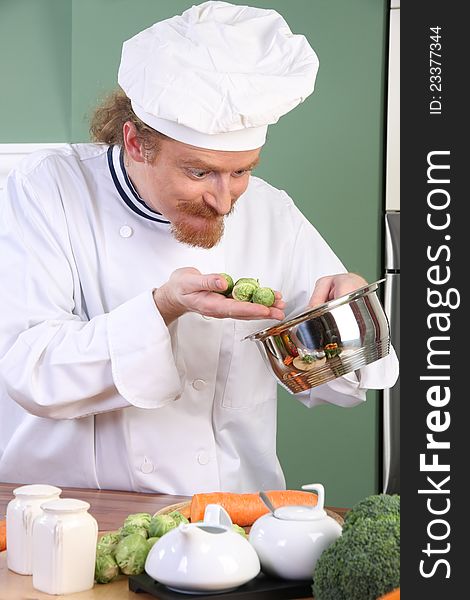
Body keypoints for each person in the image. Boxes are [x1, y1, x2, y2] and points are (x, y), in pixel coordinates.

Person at [0, 1, 398, 494]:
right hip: (75, 514)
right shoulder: (48, 192)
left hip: (230, 518)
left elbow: (336, 380)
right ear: (135, 142)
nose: (224, 200)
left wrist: (348, 312)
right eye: (199, 171)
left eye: (242, 171)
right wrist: (164, 307)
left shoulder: (271, 213)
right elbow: (30, 369)